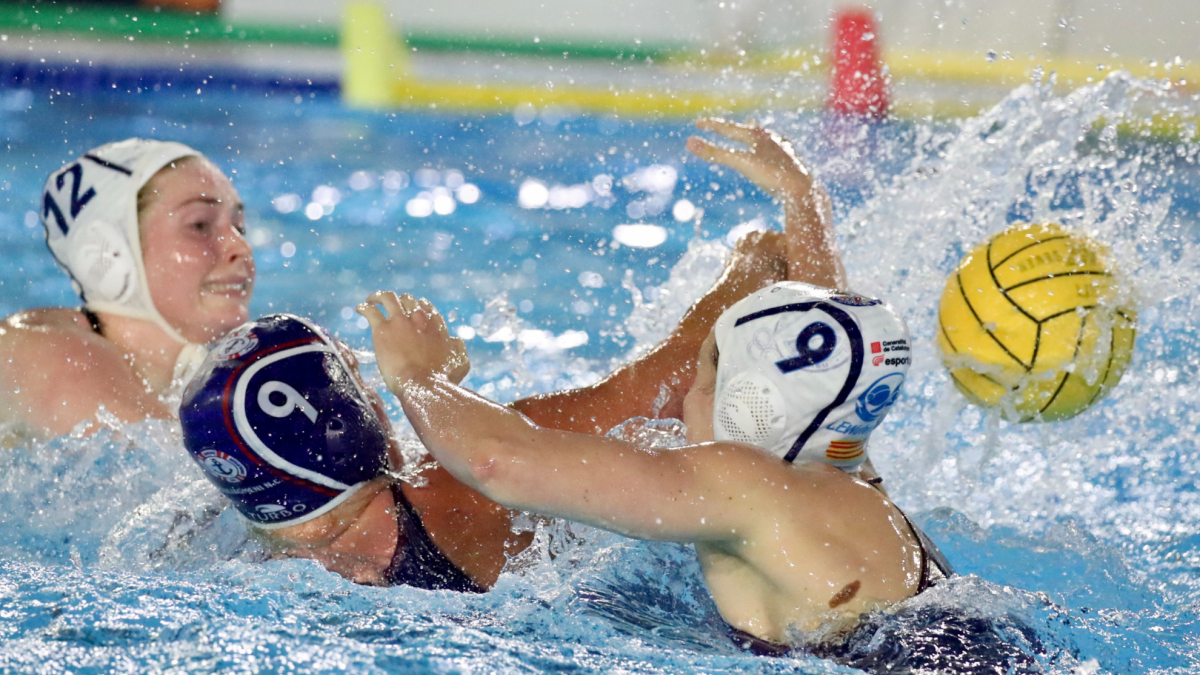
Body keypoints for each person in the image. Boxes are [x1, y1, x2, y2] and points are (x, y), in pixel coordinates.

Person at [0, 120, 811, 448]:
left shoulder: (259, 363)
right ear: (110, 257)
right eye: (203, 225)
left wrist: (427, 390)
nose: (240, 248)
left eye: (241, 223)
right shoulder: (46, 356)